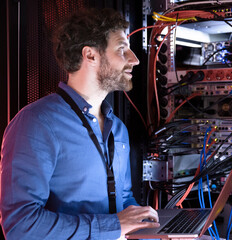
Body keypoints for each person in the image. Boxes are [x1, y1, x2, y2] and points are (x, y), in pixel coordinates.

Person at [0, 8, 159, 239]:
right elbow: (21, 226)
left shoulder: (118, 129)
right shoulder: (36, 123)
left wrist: (148, 225)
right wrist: (113, 226)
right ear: (90, 55)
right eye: (122, 49)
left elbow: (124, 203)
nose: (134, 60)